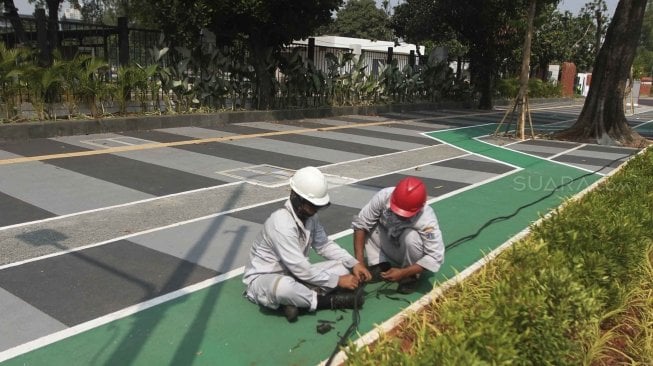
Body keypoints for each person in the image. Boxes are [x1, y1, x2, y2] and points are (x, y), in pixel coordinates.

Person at [243, 166, 372, 322]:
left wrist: (354, 263)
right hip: (266, 278)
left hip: (295, 274)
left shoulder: (310, 217)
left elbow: (324, 245)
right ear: (297, 199)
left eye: (318, 206)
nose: (315, 210)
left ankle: (295, 302)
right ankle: (328, 301)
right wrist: (337, 281)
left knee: (344, 267)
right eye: (312, 205)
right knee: (284, 288)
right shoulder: (281, 223)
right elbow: (300, 267)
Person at [352, 176, 445, 294]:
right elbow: (360, 223)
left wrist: (403, 273)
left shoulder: (427, 219)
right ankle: (380, 264)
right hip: (389, 242)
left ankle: (410, 276)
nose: (400, 215)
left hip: (410, 252)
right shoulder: (384, 196)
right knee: (368, 223)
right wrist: (359, 263)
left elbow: (435, 257)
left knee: (411, 237)